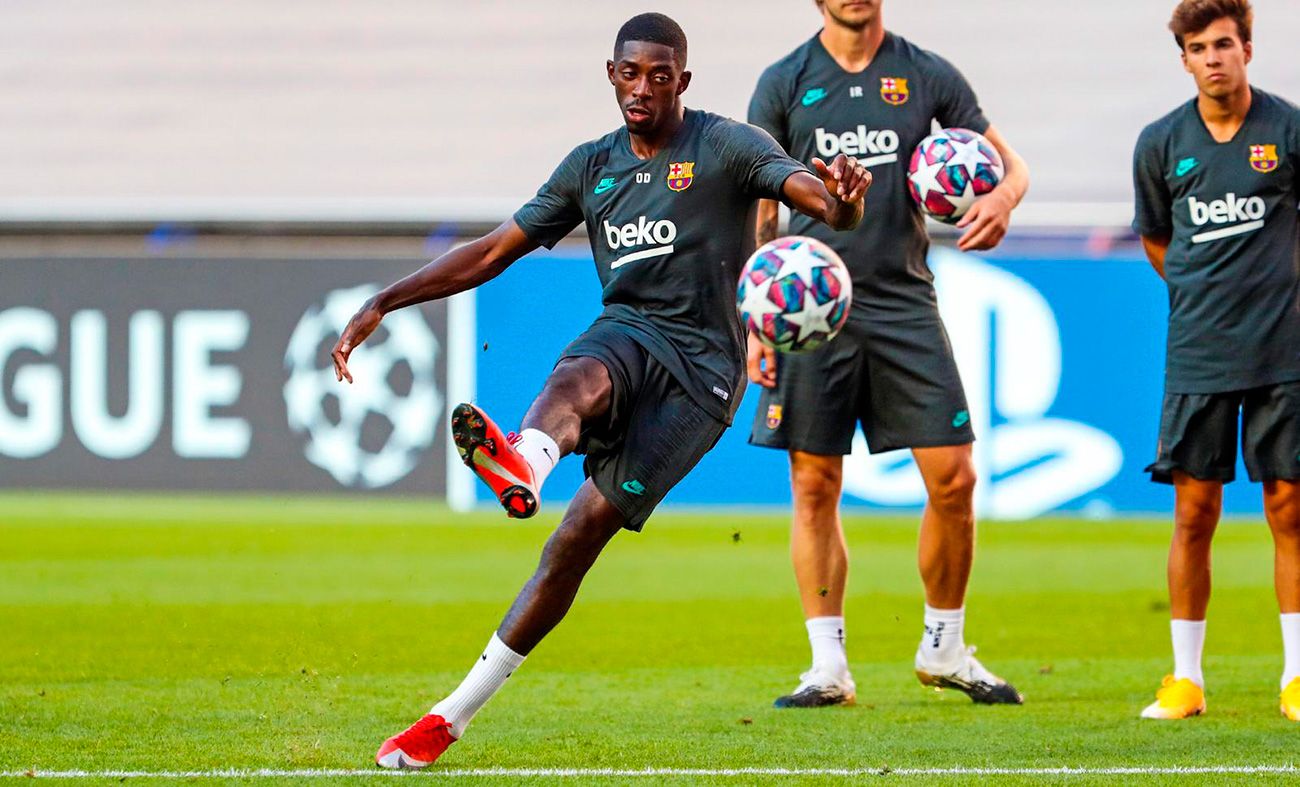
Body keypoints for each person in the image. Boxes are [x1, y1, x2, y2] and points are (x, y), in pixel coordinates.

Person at [331, 13, 872, 769]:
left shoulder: (724, 145)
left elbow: (808, 191)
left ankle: (452, 711)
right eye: (630, 73)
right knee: (579, 373)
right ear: (611, 74)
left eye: (660, 74)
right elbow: (492, 250)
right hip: (631, 332)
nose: (643, 87)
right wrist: (385, 300)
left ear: (683, 80)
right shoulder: (592, 167)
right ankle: (524, 461)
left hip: (704, 377)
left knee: (574, 539)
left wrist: (844, 200)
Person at [744, 0, 1029, 708]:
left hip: (904, 300)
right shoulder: (783, 82)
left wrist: (1004, 199)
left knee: (955, 477)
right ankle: (827, 665)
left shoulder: (926, 74)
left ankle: (945, 646)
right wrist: (757, 321)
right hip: (809, 310)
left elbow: (1010, 165)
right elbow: (760, 207)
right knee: (813, 485)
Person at [1132, 0, 1300, 721]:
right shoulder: (1161, 142)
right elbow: (1158, 241)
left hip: (1284, 353)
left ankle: (1296, 677)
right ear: (1185, 59)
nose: (1212, 57)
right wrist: (1212, 297)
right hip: (1199, 353)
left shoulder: (1288, 129)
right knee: (1194, 513)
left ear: (1248, 49)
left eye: (1224, 44)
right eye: (1198, 47)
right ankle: (1185, 679)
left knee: (1289, 510)